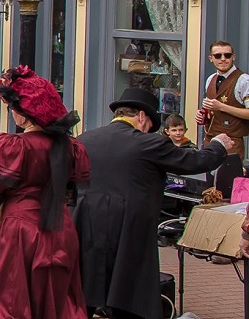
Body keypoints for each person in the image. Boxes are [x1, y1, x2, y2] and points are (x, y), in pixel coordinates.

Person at [74, 87, 231, 319]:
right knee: (128, 293)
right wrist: (218, 145)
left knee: (85, 290)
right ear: (141, 117)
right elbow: (195, 162)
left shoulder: (84, 139)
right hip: (128, 228)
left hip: (84, 224)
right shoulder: (148, 143)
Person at [0, 67, 89, 319]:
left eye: (14, 109)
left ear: (25, 115)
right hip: (61, 230)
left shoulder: (15, 146)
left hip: (22, 231)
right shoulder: (71, 148)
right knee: (58, 297)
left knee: (13, 298)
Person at [199, 40, 248, 195]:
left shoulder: (243, 80)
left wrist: (221, 107)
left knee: (226, 189)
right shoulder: (210, 79)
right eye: (218, 55)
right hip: (211, 140)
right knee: (209, 190)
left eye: (227, 55)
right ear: (210, 58)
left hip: (232, 142)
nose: (223, 59)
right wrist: (203, 117)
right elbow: (211, 111)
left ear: (233, 57)